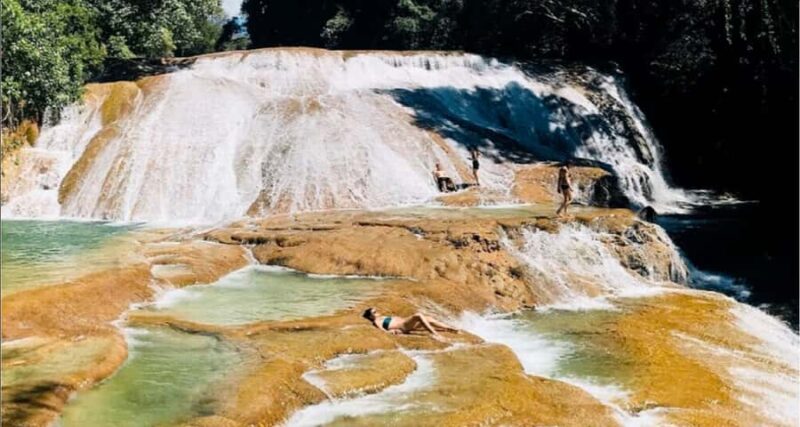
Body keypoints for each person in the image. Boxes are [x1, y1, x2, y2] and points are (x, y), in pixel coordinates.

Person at [362, 307, 460, 337]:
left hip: (406, 323)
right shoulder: (376, 322)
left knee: (429, 319)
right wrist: (392, 332)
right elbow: (383, 330)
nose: (377, 312)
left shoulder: (381, 317)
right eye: (375, 312)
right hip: (404, 325)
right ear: (371, 315)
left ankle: (449, 329)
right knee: (418, 315)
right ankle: (435, 334)